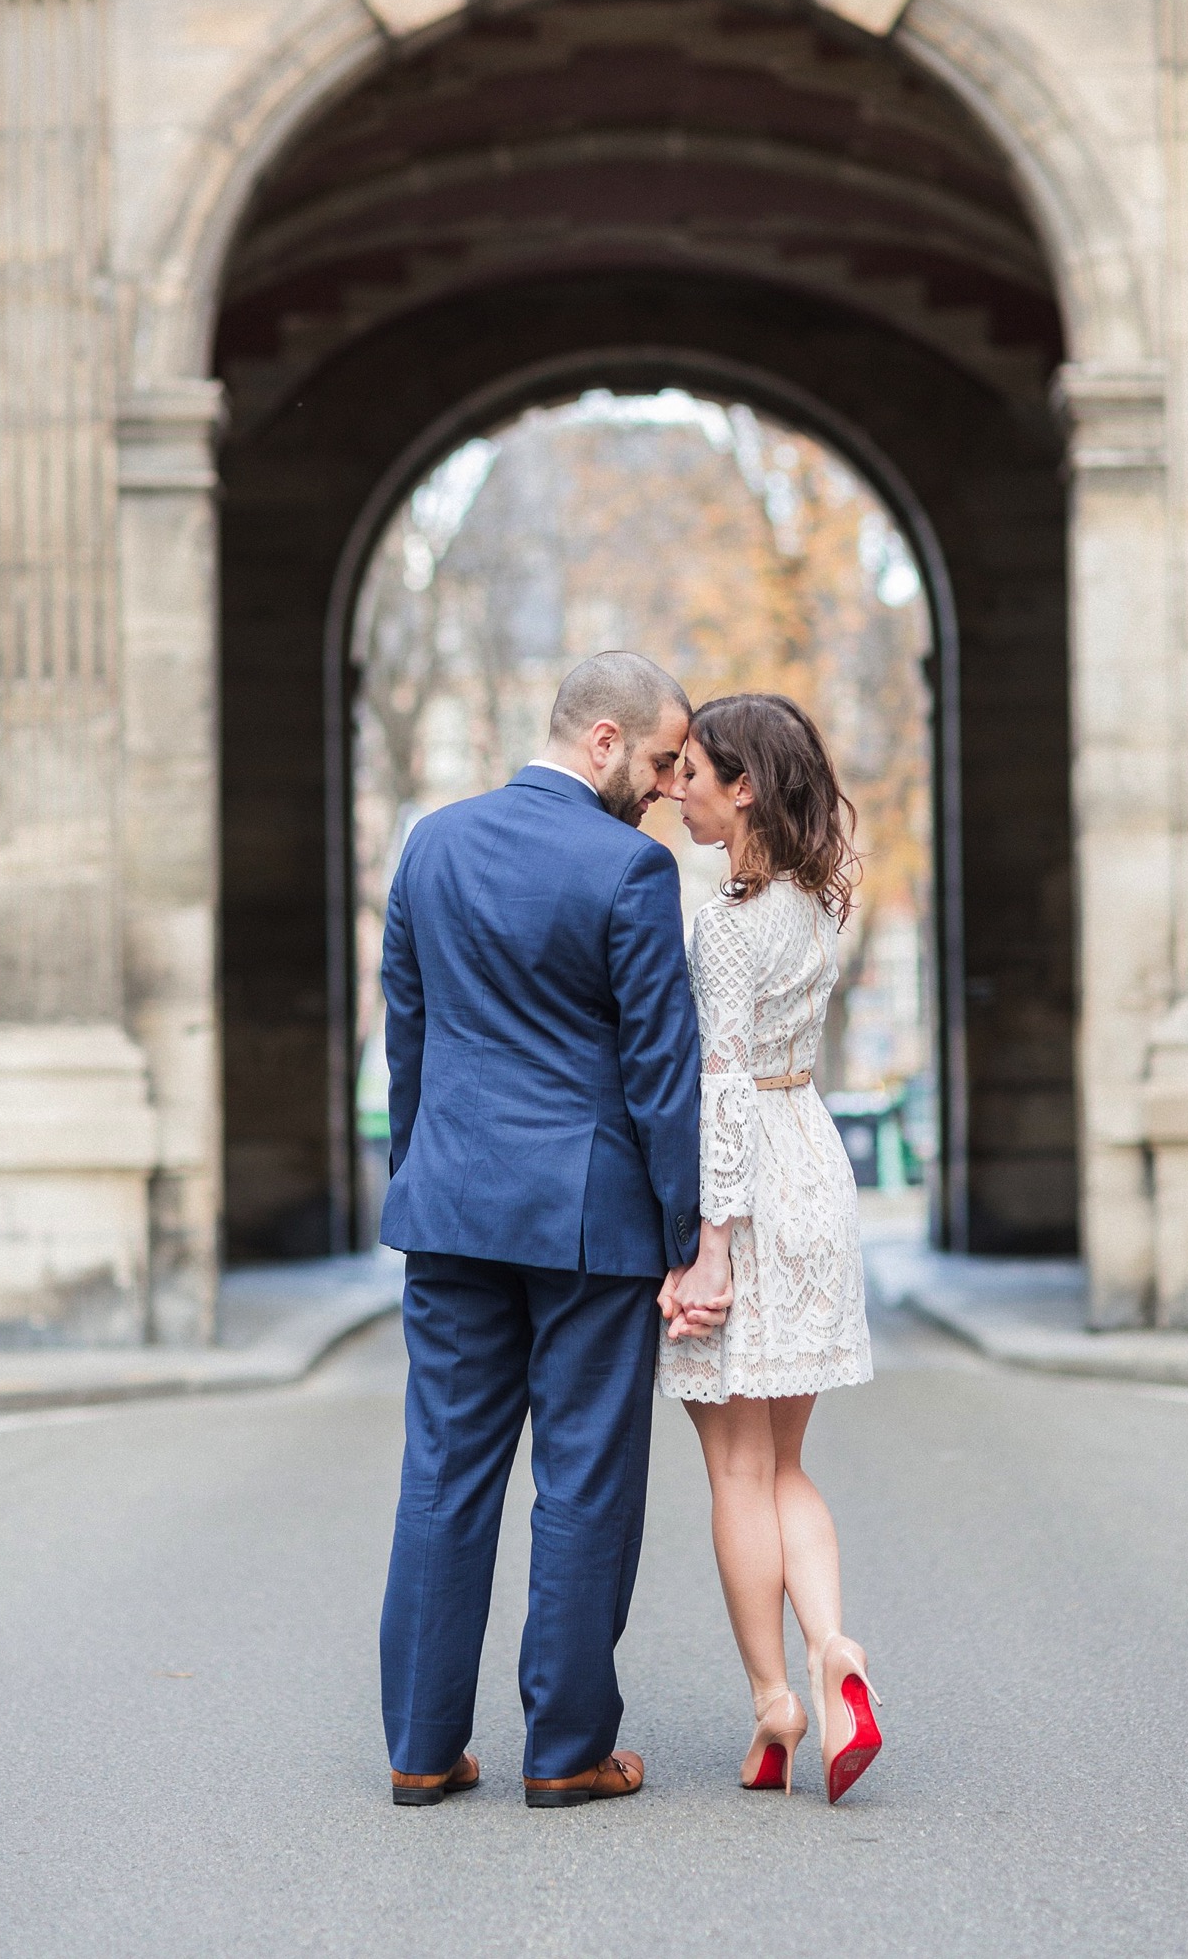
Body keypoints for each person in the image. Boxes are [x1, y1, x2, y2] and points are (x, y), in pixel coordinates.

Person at [377, 650, 724, 1809]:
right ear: (603, 742)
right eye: (664, 759)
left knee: (442, 1472)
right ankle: (566, 1750)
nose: (670, 786)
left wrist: (415, 1172)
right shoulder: (628, 869)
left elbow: (408, 1032)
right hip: (587, 1226)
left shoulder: (430, 844)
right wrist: (685, 1231)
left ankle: (423, 1748)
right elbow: (658, 1072)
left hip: (452, 1208)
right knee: (582, 1480)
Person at [658, 692, 881, 1806]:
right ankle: (833, 1650)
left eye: (692, 771)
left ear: (742, 786)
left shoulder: (731, 927)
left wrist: (710, 1249)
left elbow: (722, 1091)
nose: (675, 788)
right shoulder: (815, 904)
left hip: (748, 1186)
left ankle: (773, 1703)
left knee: (734, 1468)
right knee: (787, 1462)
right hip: (816, 1169)